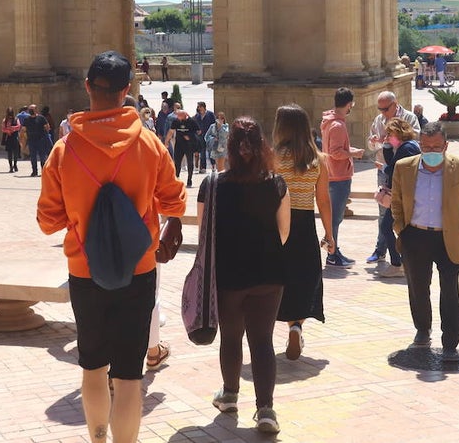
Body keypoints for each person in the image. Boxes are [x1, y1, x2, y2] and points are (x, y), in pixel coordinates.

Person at [38, 51, 186, 443]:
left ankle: (97, 439)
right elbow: (175, 201)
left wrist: (79, 213)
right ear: (127, 91)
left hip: (85, 272)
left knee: (92, 369)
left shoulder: (63, 151)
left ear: (87, 87)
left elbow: (48, 221)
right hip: (137, 271)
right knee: (129, 377)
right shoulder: (150, 145)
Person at [198, 117, 291, 434]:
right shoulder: (277, 184)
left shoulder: (211, 186)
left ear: (231, 147)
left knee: (232, 336)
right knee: (262, 341)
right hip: (268, 272)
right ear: (262, 145)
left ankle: (230, 395)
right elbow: (284, 232)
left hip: (228, 275)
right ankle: (266, 410)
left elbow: (203, 234)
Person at [391, 122, 459, 363]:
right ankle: (423, 329)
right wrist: (401, 228)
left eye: (436, 147)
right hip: (416, 235)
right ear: (420, 146)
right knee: (418, 288)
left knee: (450, 290)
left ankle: (450, 343)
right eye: (426, 147)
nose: (431, 151)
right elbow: (396, 201)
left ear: (445, 146)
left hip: (450, 238)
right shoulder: (404, 167)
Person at [273, 104, 333, 361]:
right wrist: (330, 235)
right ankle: (297, 326)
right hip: (305, 222)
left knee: (281, 276)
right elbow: (324, 201)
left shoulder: (274, 157)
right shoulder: (317, 159)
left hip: (277, 223)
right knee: (304, 276)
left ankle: (289, 325)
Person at [366, 91, 421, 263]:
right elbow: (372, 144)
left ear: (395, 104)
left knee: (396, 216)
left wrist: (391, 142)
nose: (383, 112)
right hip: (385, 171)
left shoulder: (409, 117)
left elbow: (416, 138)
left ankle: (400, 259)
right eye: (380, 109)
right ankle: (380, 250)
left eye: (385, 108)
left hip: (397, 174)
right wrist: (377, 141)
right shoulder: (378, 120)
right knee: (384, 212)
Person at [320, 88, 364, 267]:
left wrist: (352, 151)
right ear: (348, 104)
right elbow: (336, 152)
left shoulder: (330, 122)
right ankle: (332, 254)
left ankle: (333, 250)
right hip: (338, 177)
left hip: (332, 175)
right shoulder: (337, 125)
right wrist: (353, 154)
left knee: (333, 218)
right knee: (335, 219)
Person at [377, 118, 420, 278]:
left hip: (403, 197)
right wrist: (387, 146)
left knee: (387, 226)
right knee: (393, 227)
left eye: (390, 133)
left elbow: (397, 169)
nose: (387, 137)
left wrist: (385, 168)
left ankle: (398, 263)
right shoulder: (405, 146)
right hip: (403, 195)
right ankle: (402, 262)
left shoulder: (407, 148)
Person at [167, 105, 201, 188]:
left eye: (179, 116)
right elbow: (171, 131)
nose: (178, 118)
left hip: (189, 145)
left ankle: (189, 180)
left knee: (190, 162)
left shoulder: (192, 121)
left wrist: (190, 135)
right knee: (177, 162)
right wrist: (166, 141)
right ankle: (176, 178)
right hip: (179, 144)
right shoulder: (176, 121)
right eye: (177, 116)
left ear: (184, 115)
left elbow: (199, 132)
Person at [21, 104, 52, 177]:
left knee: (42, 156)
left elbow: (47, 127)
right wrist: (22, 138)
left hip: (41, 140)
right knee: (33, 156)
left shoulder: (41, 118)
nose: (31, 111)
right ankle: (34, 171)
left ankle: (44, 171)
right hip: (31, 140)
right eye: (30, 109)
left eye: (32, 109)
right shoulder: (27, 119)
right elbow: (23, 129)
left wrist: (45, 134)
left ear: (36, 110)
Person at [194, 102, 217, 171]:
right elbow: (195, 125)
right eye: (198, 107)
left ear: (203, 107)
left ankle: (213, 165)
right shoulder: (197, 116)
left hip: (209, 136)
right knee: (202, 152)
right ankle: (203, 167)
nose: (198, 108)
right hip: (201, 136)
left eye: (199, 107)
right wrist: (197, 131)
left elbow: (214, 125)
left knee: (210, 151)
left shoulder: (210, 114)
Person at [1, 108, 22, 173]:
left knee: (15, 153)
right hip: (9, 138)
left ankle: (15, 164)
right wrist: (8, 130)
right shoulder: (5, 120)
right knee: (9, 153)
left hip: (15, 137)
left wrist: (12, 128)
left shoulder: (16, 119)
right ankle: (11, 166)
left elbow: (18, 126)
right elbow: (3, 128)